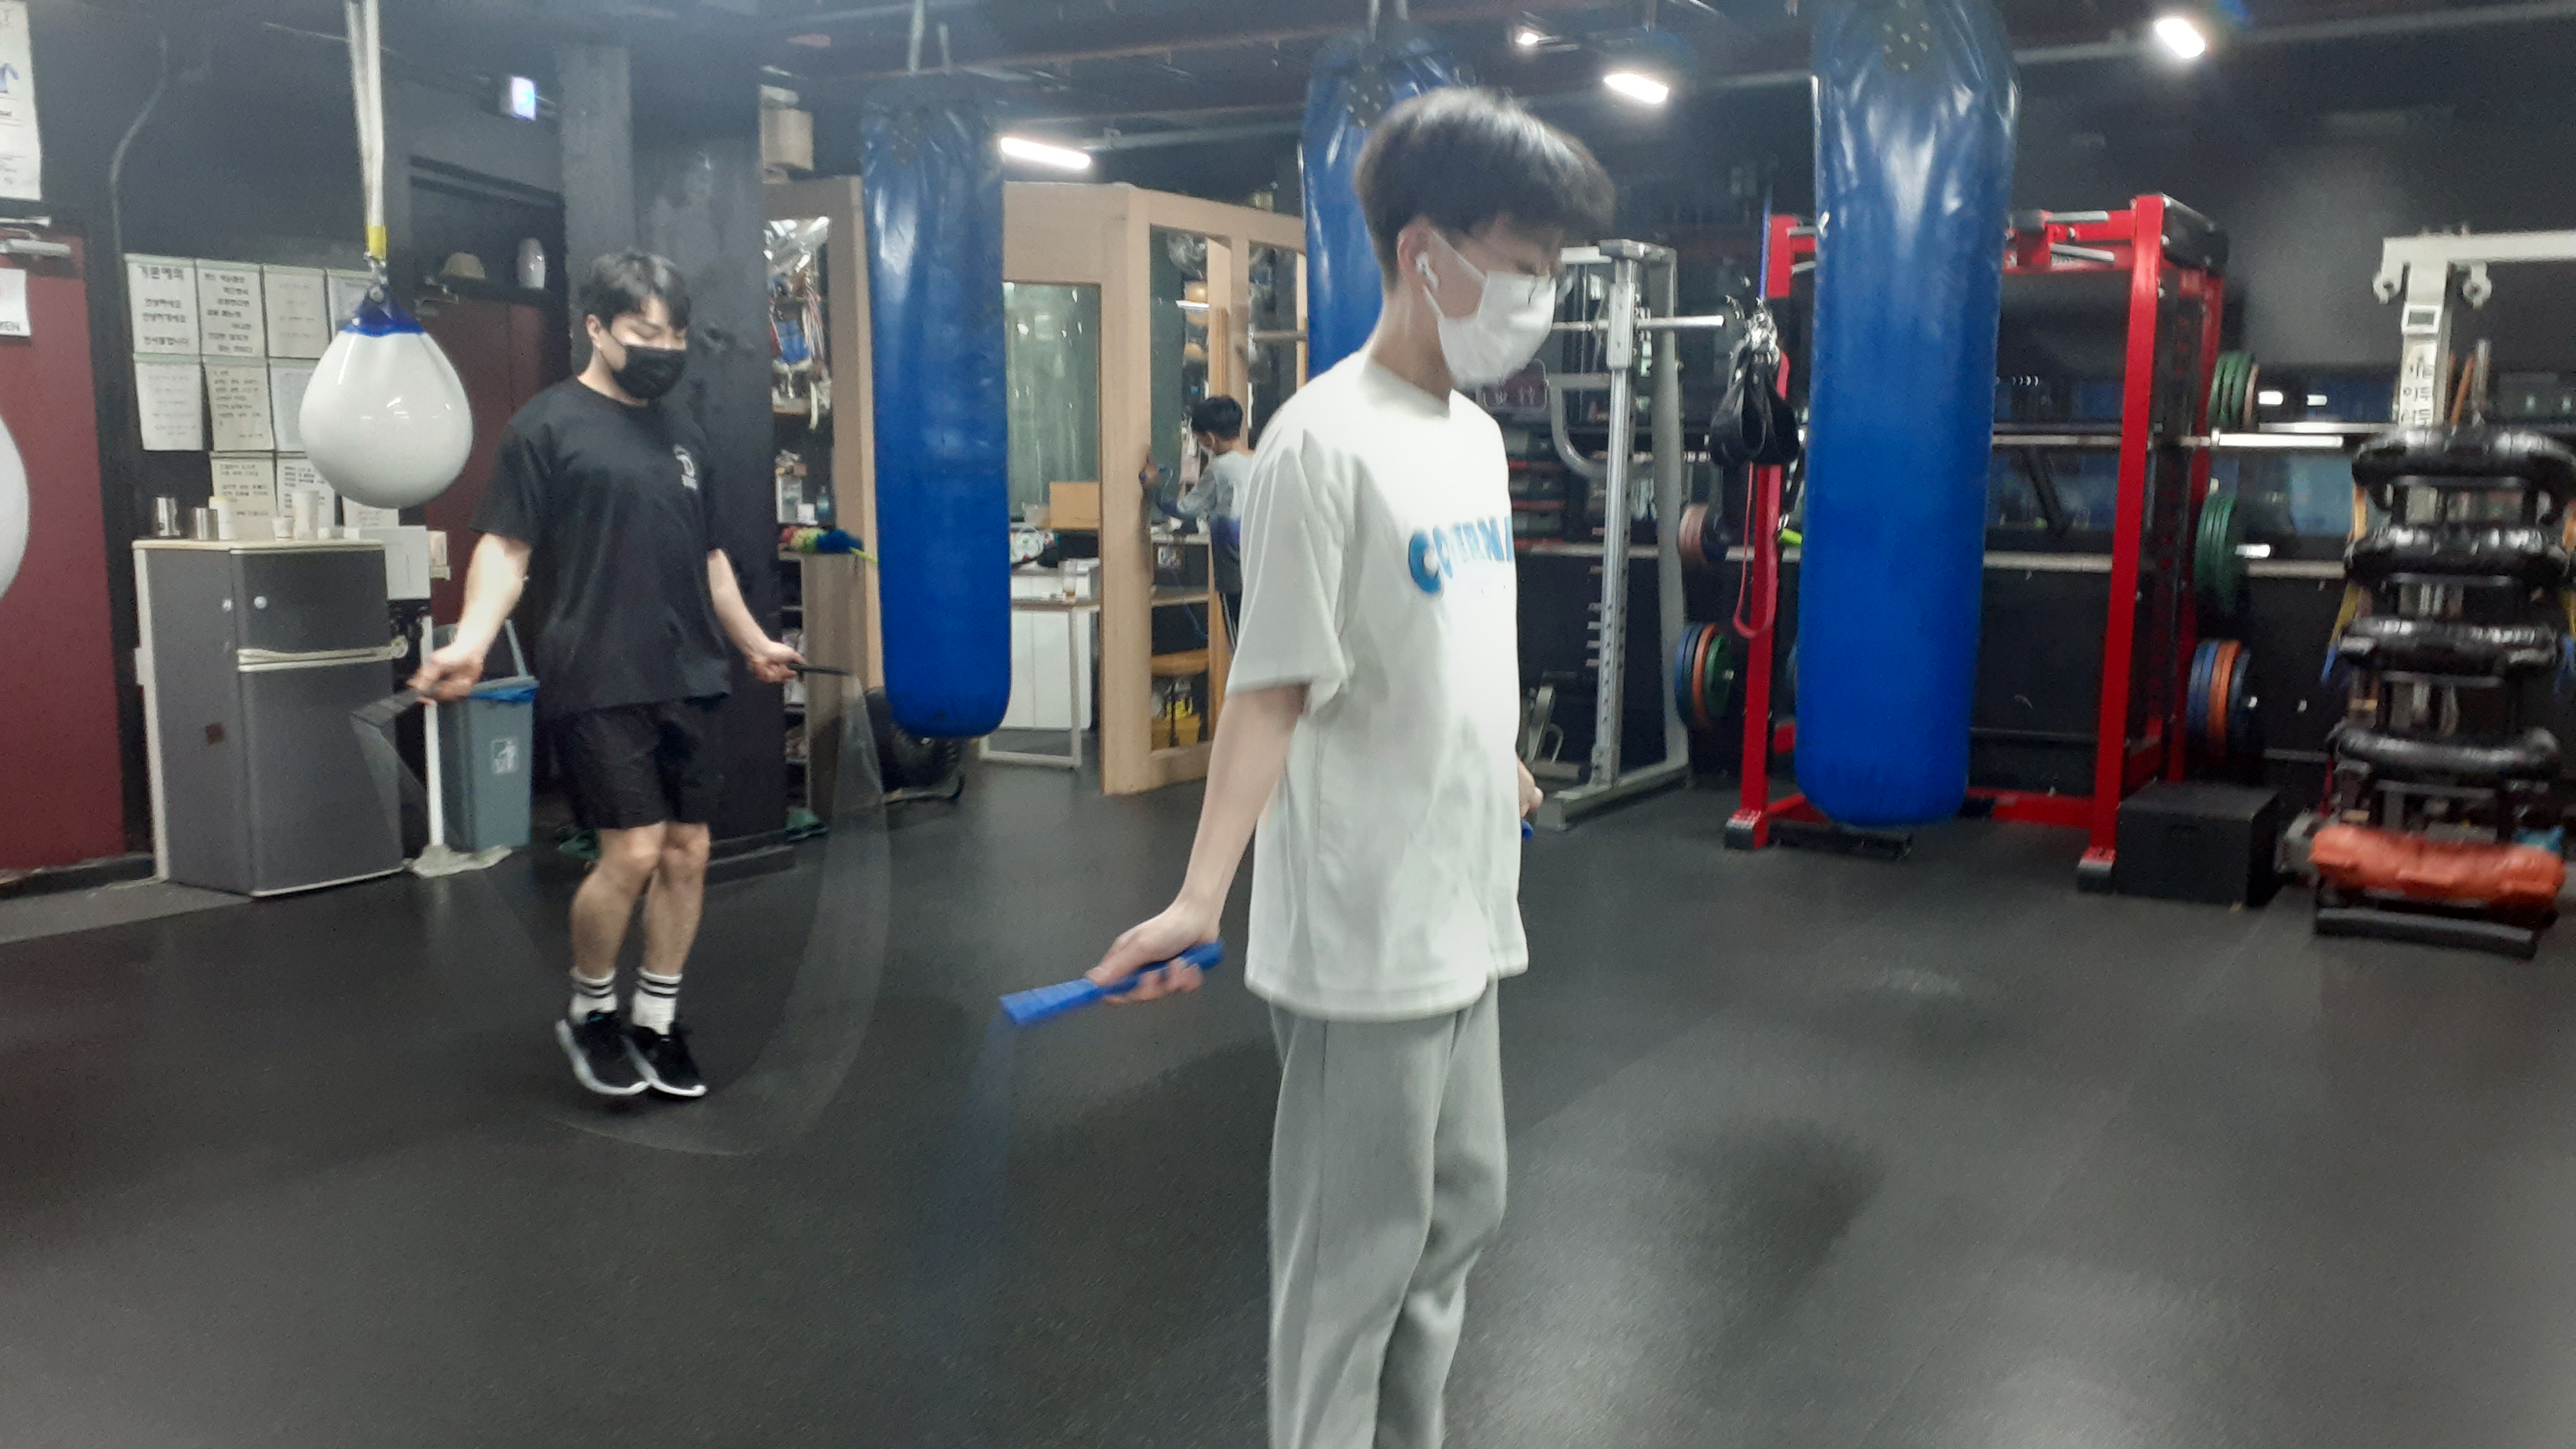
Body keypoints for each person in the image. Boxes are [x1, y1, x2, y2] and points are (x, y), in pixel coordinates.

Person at [1088, 90, 1612, 1449]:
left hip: (1466, 903)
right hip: (1364, 923)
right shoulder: (1317, 445)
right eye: (1523, 265)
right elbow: (1271, 690)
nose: (1539, 298)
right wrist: (1200, 896)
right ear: (1424, 253)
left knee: (1459, 1215)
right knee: (1353, 1260)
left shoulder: (1476, 442)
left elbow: (1439, 646)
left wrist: (1498, 762)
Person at [412, 251, 801, 1101]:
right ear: (596, 328)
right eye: (643, 332)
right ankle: (592, 1008)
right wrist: (473, 641)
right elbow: (505, 547)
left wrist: (753, 642)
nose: (663, 349)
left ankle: (656, 1019)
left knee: (689, 851)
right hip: (599, 667)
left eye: (675, 334)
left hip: (690, 667)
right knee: (633, 850)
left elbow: (709, 559)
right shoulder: (546, 427)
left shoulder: (684, 431)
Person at [1159, 395, 1253, 637]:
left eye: (1200, 440)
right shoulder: (1259, 460)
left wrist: (1154, 490)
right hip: (1259, 567)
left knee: (1237, 636)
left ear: (1210, 439)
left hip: (1232, 569)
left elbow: (1186, 509)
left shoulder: (1220, 468)